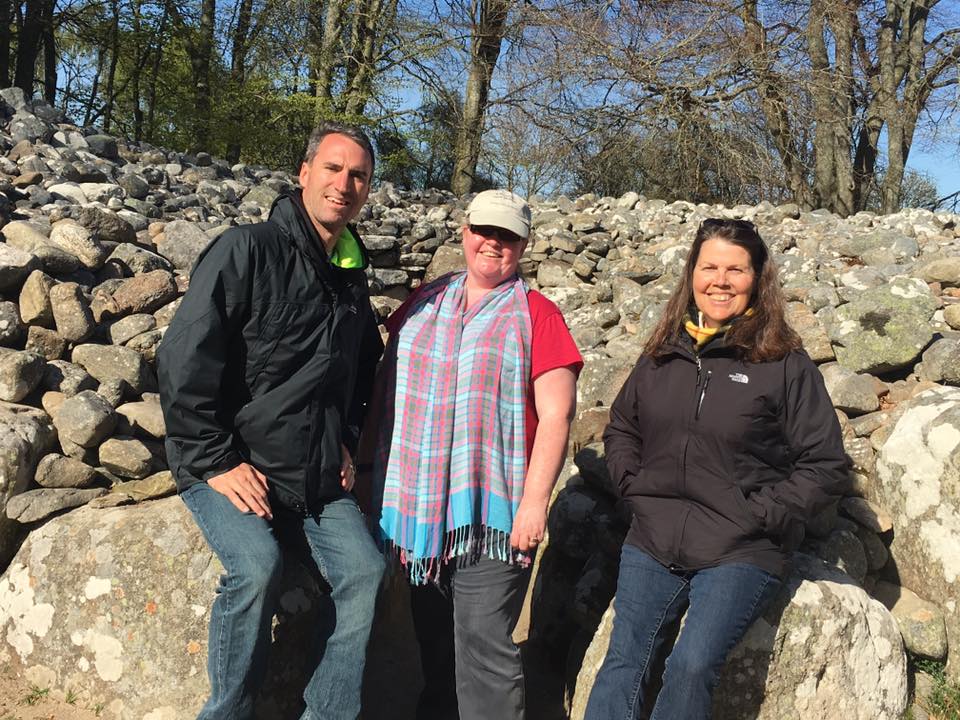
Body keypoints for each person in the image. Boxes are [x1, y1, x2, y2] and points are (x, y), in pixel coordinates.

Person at [158, 121, 385, 720]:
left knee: (365, 572)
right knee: (256, 569)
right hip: (235, 463)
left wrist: (348, 439)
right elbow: (185, 355)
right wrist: (214, 460)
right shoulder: (247, 250)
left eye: (358, 174)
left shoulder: (352, 277)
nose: (345, 184)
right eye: (333, 168)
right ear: (304, 173)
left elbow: (365, 369)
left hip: (311, 470)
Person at [584, 218, 848, 720]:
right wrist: (633, 490)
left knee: (691, 665)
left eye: (735, 269)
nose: (720, 280)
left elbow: (824, 463)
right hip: (654, 537)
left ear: (758, 278)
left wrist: (758, 515)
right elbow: (622, 428)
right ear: (692, 274)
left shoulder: (784, 363)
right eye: (709, 267)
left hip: (739, 546)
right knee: (624, 662)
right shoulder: (662, 354)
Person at [366, 189, 582, 720]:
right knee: (435, 639)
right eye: (484, 230)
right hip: (421, 513)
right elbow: (386, 388)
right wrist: (367, 468)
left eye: (507, 235)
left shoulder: (538, 315)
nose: (493, 243)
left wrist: (535, 504)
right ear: (464, 232)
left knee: (483, 642)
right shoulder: (425, 301)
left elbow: (557, 416)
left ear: (524, 245)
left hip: (494, 513)